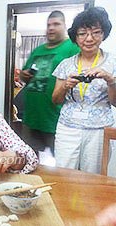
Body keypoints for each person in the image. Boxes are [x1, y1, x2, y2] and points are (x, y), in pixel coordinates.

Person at [52, 7, 116, 174]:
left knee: (92, 178)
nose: (89, 38)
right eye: (82, 33)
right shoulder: (66, 64)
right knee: (64, 173)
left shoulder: (113, 63)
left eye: (96, 32)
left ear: (103, 34)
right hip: (68, 129)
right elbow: (55, 99)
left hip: (99, 131)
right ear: (76, 36)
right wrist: (65, 85)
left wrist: (111, 80)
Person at [19, 11, 79, 156]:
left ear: (64, 26)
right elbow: (23, 75)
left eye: (56, 24)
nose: (51, 28)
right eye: (48, 25)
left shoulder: (72, 47)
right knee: (27, 161)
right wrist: (24, 75)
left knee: (63, 165)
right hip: (31, 118)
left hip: (56, 119)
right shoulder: (38, 50)